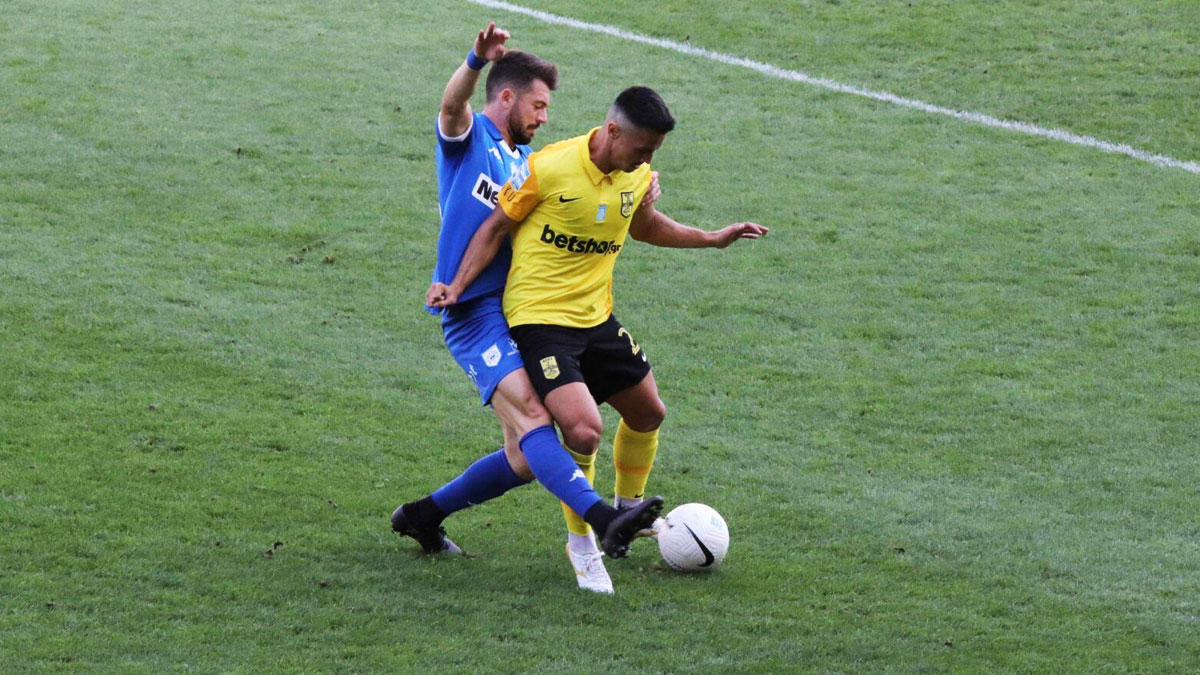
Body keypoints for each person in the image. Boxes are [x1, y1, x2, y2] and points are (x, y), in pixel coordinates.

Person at [426, 85, 768, 589]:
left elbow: (644, 227)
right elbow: (495, 228)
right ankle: (583, 542)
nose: (647, 160)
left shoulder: (638, 174)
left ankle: (630, 513)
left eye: (654, 152)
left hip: (596, 318)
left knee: (649, 412)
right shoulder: (549, 167)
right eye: (642, 148)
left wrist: (712, 238)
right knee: (583, 431)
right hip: (540, 320)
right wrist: (455, 286)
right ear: (612, 131)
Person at [392, 24, 663, 594]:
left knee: (523, 456)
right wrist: (475, 60)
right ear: (507, 96)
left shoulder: (529, 163)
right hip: (472, 313)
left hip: (523, 310)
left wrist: (639, 191)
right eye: (538, 106)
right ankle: (601, 521)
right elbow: (451, 107)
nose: (544, 117)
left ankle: (422, 515)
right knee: (539, 424)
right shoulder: (469, 143)